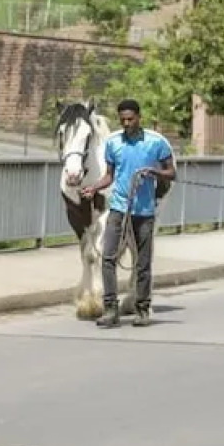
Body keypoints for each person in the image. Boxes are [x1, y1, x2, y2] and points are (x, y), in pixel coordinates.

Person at [82, 99, 175, 329]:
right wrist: (94, 187)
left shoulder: (156, 142)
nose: (126, 124)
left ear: (138, 117)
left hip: (144, 210)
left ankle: (142, 309)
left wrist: (155, 172)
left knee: (142, 262)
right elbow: (109, 176)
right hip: (119, 208)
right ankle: (110, 309)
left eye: (130, 119)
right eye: (123, 120)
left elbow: (171, 173)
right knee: (108, 257)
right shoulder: (113, 143)